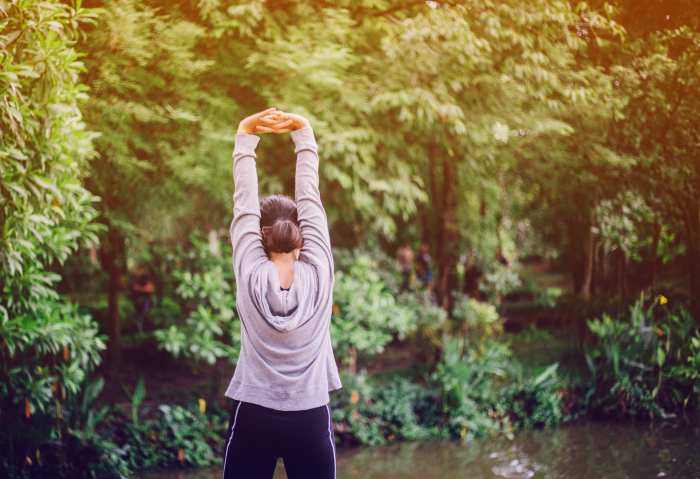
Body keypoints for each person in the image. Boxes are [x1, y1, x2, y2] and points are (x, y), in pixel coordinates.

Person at [222, 107, 341, 479]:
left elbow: (244, 204)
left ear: (259, 236)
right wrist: (303, 132)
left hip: (254, 412)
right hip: (309, 415)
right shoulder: (320, 271)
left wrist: (246, 133)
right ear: (304, 234)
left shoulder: (250, 272)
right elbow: (310, 199)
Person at [128, 264, 155, 333]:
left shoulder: (146, 277)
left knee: (143, 315)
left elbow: (150, 288)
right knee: (138, 316)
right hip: (137, 301)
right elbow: (134, 287)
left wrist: (140, 289)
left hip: (145, 300)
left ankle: (142, 329)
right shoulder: (135, 278)